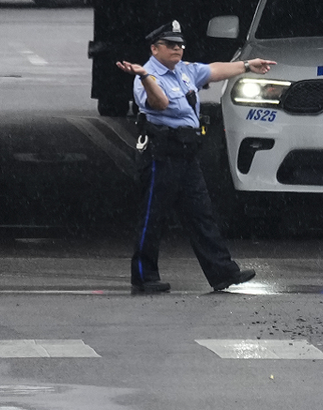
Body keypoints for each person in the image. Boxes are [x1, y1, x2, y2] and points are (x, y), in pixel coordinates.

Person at [116, 20, 277, 294]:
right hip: (161, 153)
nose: (177, 49)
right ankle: (143, 276)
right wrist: (144, 76)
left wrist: (248, 66)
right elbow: (160, 103)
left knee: (202, 215)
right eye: (170, 45)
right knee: (153, 217)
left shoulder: (184, 70)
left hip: (186, 155)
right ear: (155, 49)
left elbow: (214, 70)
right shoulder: (147, 78)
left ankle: (223, 272)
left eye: (180, 44)